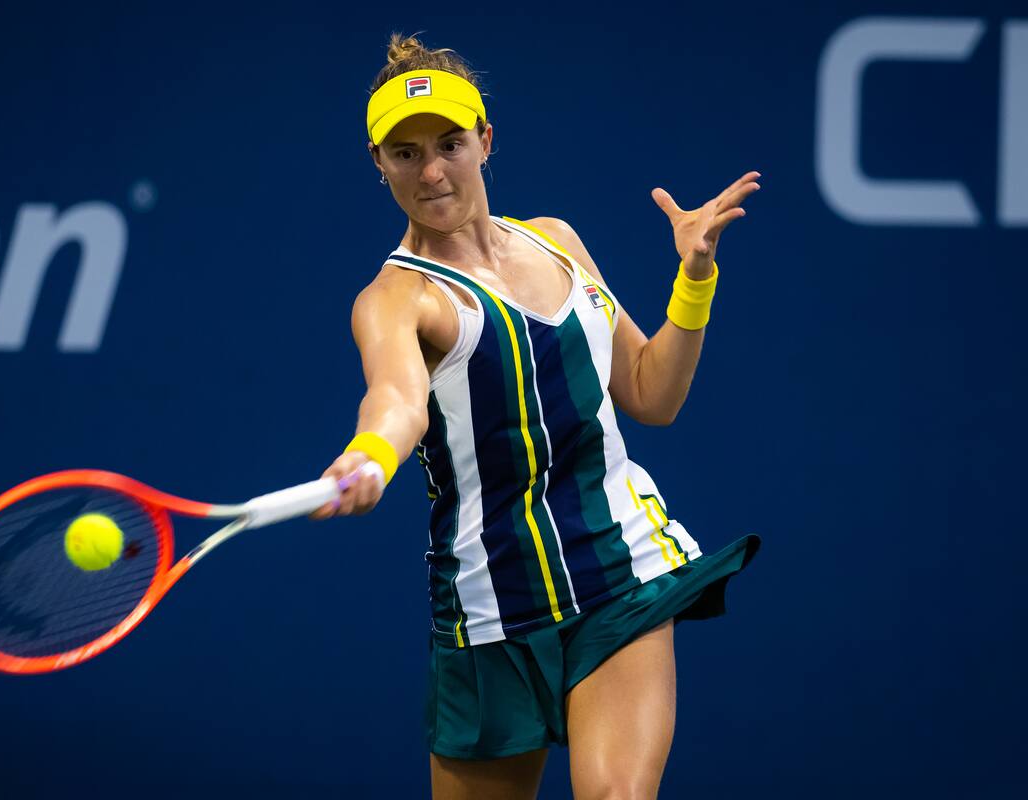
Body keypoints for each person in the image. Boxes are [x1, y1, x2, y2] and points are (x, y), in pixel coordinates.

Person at [311, 34, 762, 800]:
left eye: (450, 144)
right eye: (406, 153)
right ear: (377, 162)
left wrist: (695, 277)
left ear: (485, 140)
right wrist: (371, 455)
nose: (432, 171)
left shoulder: (557, 242)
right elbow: (396, 401)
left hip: (619, 570)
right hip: (491, 610)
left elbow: (651, 392)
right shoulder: (394, 299)